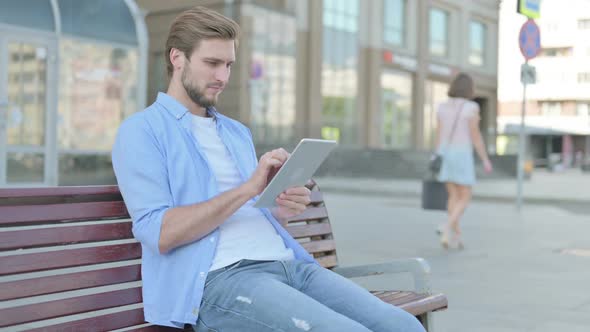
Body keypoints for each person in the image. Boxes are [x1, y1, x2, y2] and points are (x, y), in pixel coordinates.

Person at [112, 6, 425, 332]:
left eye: (229, 65)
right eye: (212, 63)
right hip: (223, 281)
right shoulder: (141, 132)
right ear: (178, 58)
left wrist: (281, 204)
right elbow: (159, 234)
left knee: (404, 326)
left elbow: (249, 212)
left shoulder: (235, 132)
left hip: (292, 267)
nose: (223, 77)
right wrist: (248, 187)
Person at [434, 73, 493, 250]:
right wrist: (485, 159)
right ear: (469, 89)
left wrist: (436, 154)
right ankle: (446, 226)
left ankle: (454, 236)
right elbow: (475, 136)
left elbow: (439, 134)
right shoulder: (471, 107)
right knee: (465, 196)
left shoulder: (442, 107)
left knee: (453, 196)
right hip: (462, 154)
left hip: (445, 154)